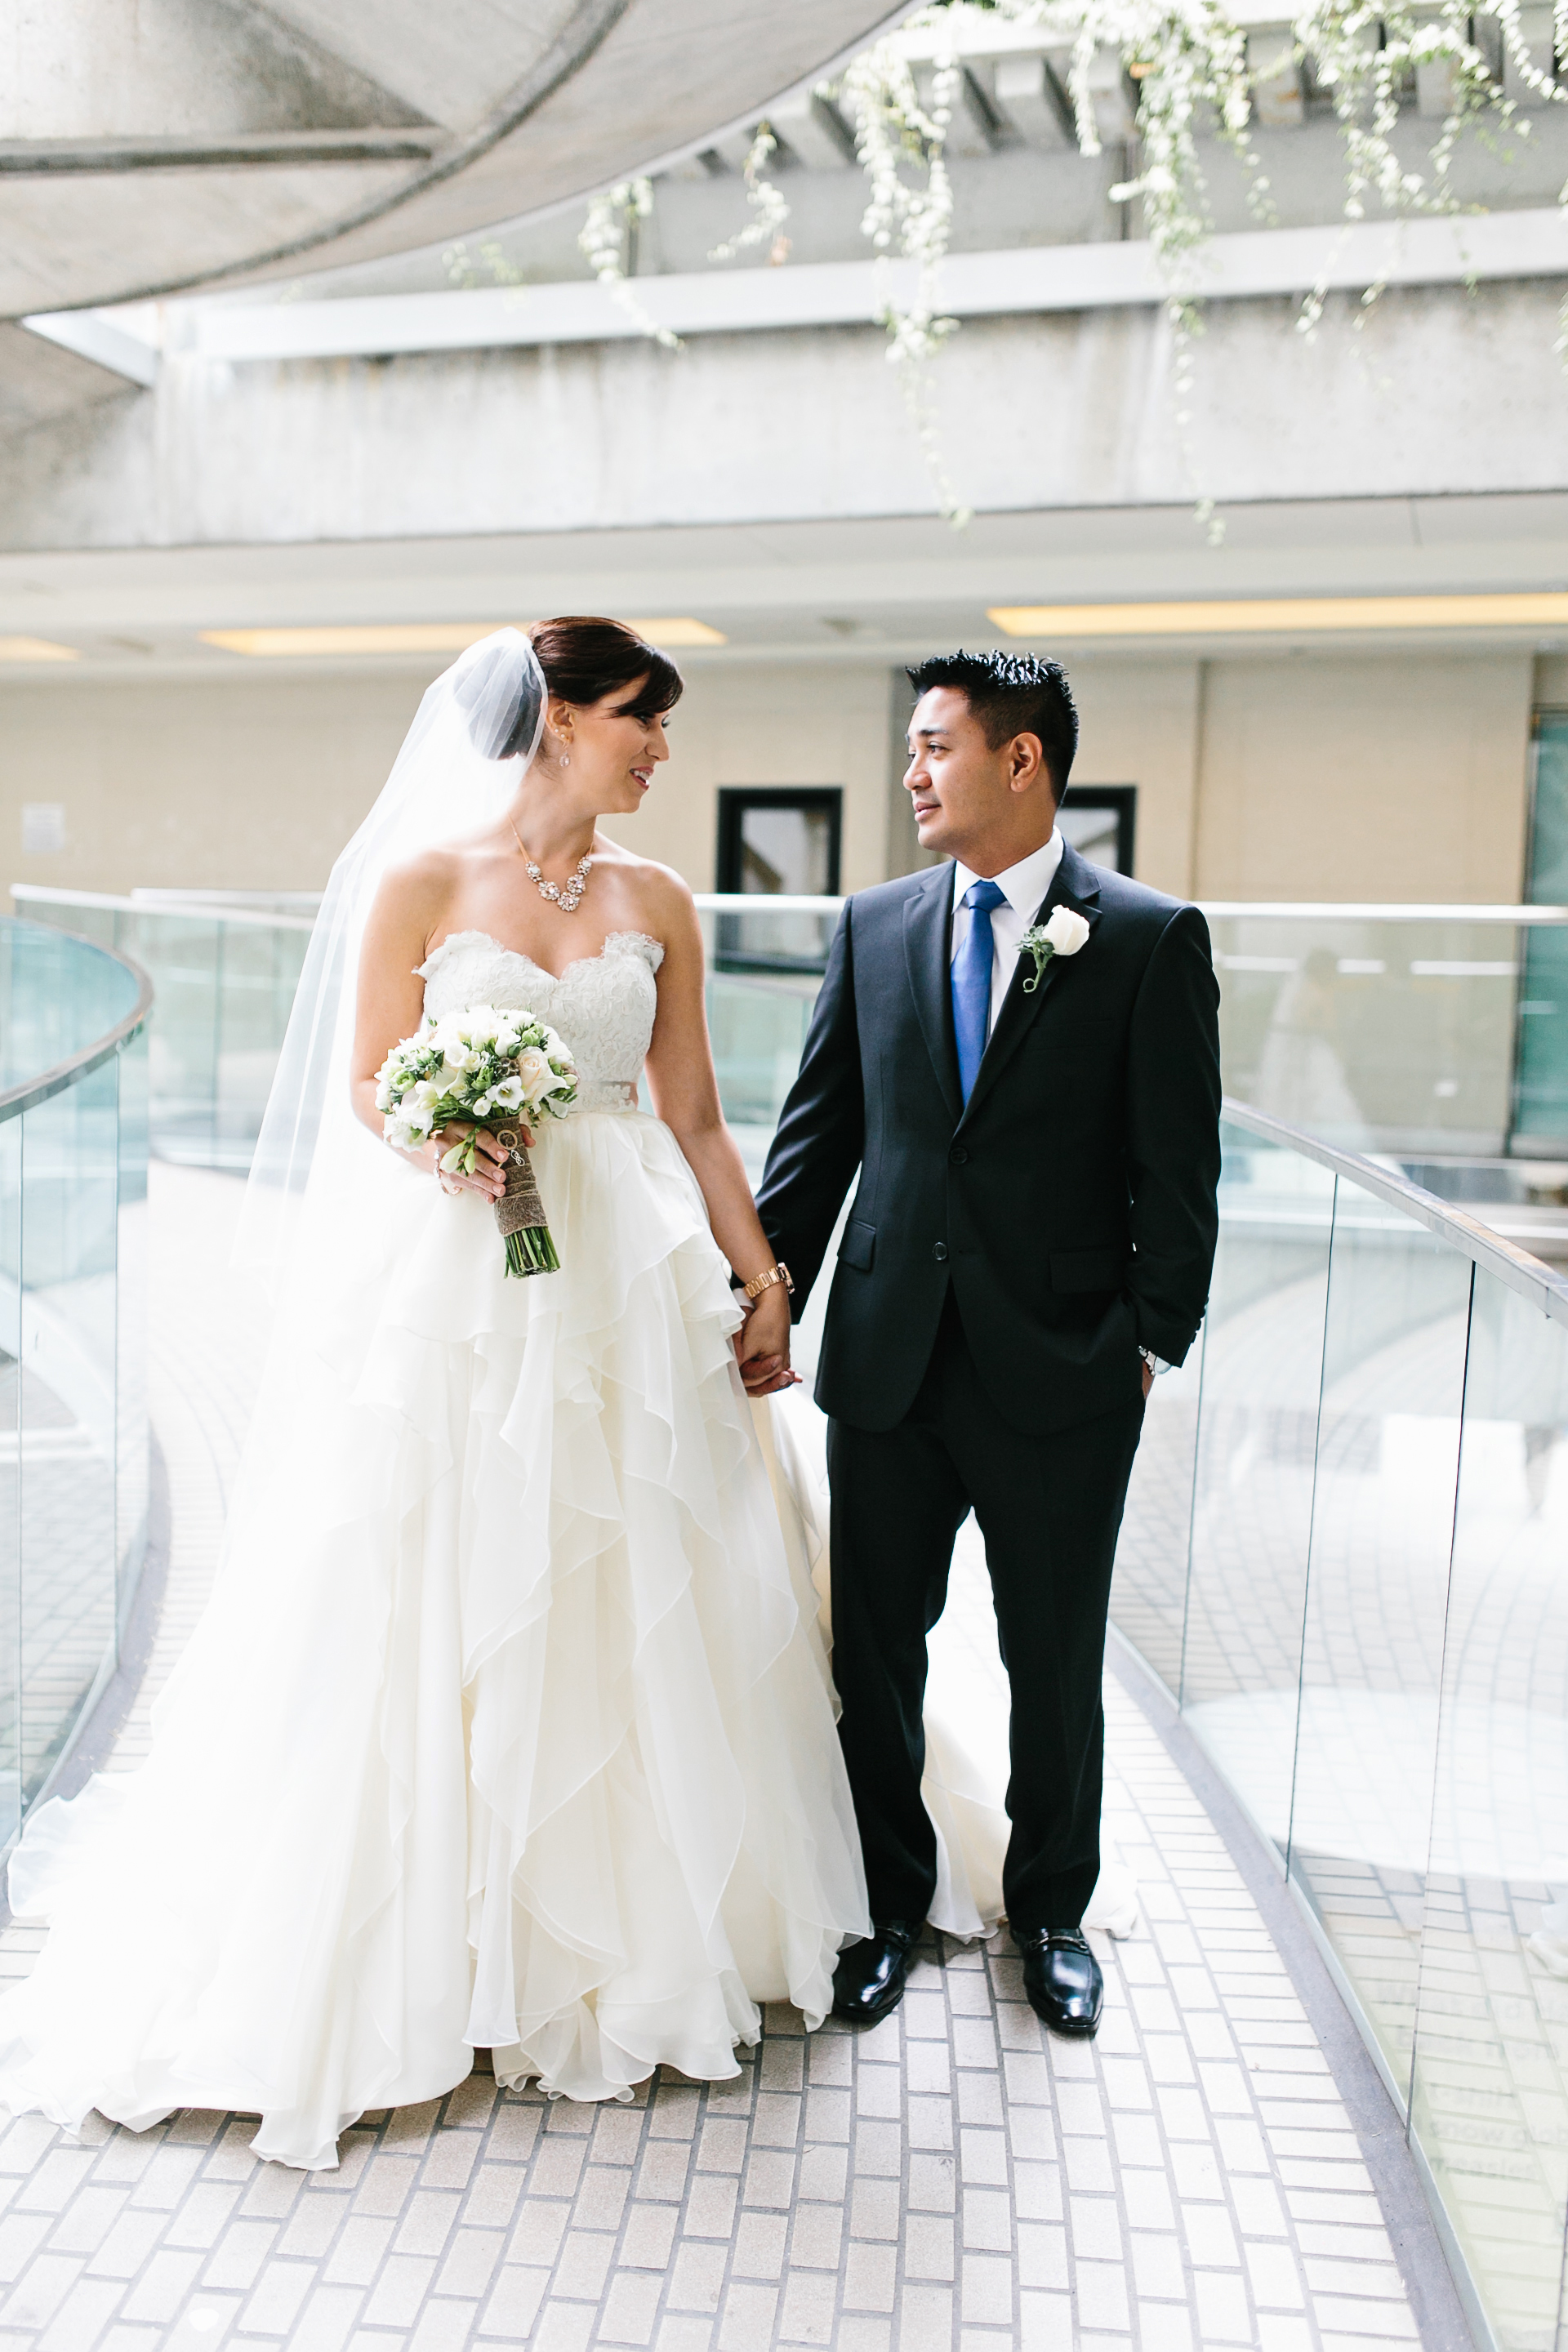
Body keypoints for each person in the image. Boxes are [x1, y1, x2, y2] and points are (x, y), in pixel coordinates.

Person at [0, 621, 866, 2170]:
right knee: (435, 1582)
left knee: (628, 1584)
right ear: (557, 722)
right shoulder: (421, 883)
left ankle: (608, 1950)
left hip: (625, 1283)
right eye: (639, 723)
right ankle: (436, 1940)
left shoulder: (655, 899)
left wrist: (762, 1277)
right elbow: (369, 1082)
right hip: (465, 1283)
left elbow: (701, 1120)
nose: (661, 751)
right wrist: (444, 1141)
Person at [756, 649, 1221, 2037]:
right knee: (875, 1652)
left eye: (935, 747)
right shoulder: (875, 923)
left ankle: (1055, 1913)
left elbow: (1178, 1170)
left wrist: (1149, 1340)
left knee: (1054, 1657)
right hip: (890, 1355)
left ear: (1023, 761)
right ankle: (887, 1906)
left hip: (1064, 1368)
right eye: (911, 747)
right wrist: (770, 1280)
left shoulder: (1143, 936)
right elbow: (817, 1133)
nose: (912, 772)